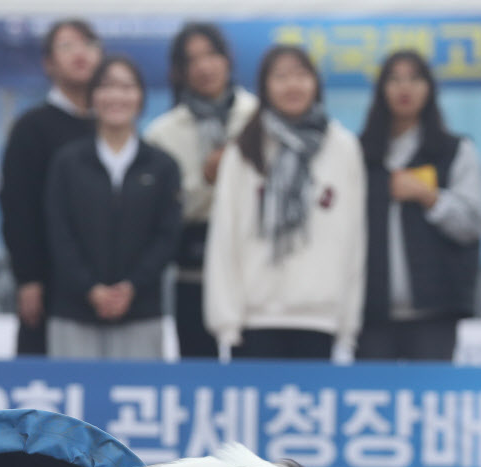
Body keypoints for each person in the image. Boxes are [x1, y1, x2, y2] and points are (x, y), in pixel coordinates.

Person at [203, 44, 366, 361]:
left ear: (316, 83)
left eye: (301, 75)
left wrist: (348, 322)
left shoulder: (343, 147)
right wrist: (226, 320)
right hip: (254, 318)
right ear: (265, 87)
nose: (292, 85)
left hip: (320, 318)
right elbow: (223, 238)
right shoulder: (244, 149)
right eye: (281, 76)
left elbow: (355, 240)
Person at [45, 55, 182, 359]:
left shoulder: (162, 166)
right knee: (72, 404)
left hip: (141, 311)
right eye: (106, 86)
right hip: (74, 311)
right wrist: (90, 288)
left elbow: (166, 235)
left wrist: (132, 286)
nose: (116, 96)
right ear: (93, 96)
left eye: (127, 87)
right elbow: (59, 231)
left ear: (141, 97)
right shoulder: (68, 162)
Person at [356, 50, 481, 361]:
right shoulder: (359, 154)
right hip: (371, 314)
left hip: (436, 312)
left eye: (415, 79)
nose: (404, 88)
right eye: (394, 79)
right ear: (381, 90)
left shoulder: (453, 150)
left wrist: (431, 197)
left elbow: (472, 225)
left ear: (430, 89)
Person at [145, 22, 257, 358]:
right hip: (194, 269)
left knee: (251, 373)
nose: (204, 67)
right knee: (197, 371)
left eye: (211, 55)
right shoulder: (163, 132)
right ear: (179, 72)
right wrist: (207, 181)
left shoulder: (259, 117)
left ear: (228, 60)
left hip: (250, 271)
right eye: (192, 61)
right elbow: (162, 211)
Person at [0, 19, 102, 356]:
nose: (79, 54)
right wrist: (28, 278)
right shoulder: (31, 127)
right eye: (67, 46)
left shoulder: (113, 124)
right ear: (48, 63)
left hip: (104, 283)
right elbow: (17, 207)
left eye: (87, 44)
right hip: (48, 283)